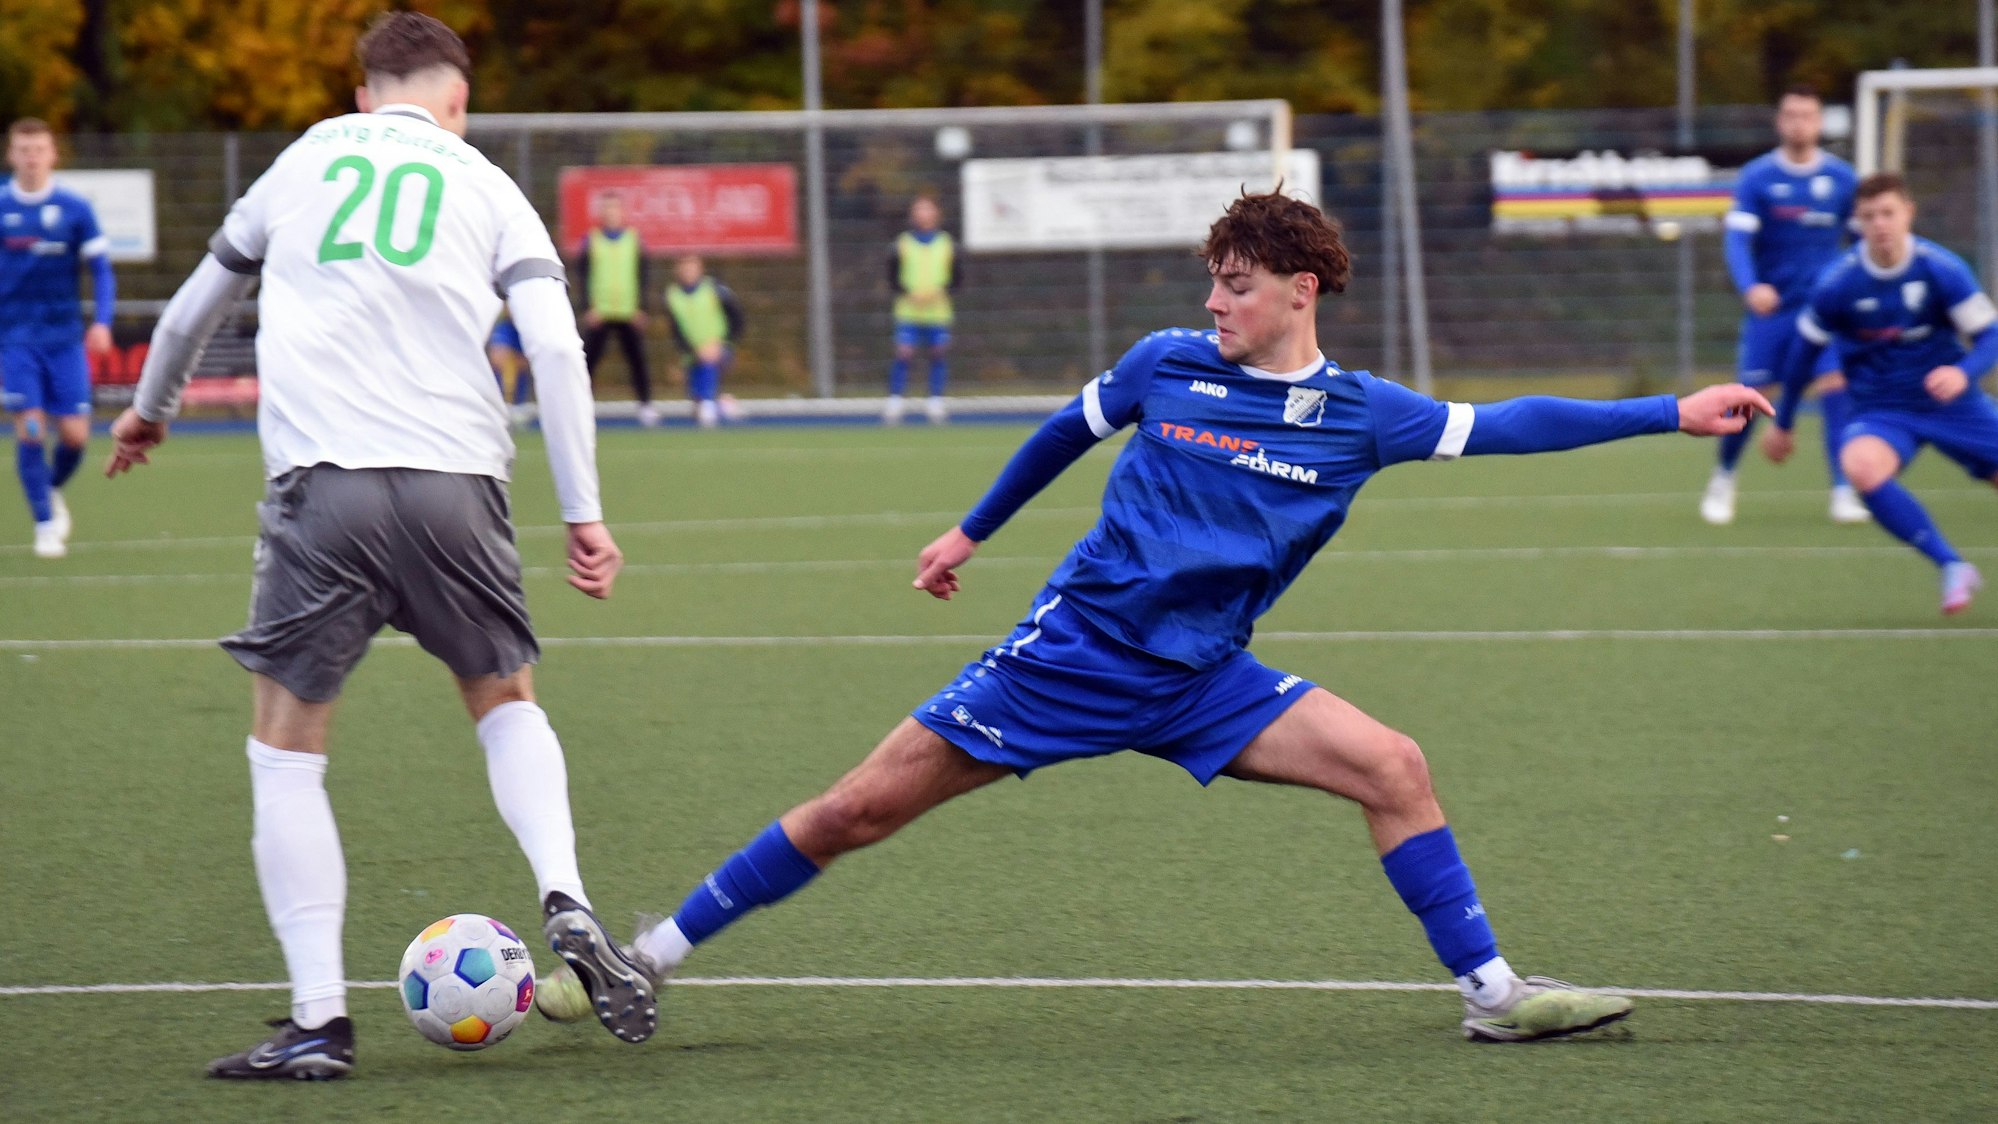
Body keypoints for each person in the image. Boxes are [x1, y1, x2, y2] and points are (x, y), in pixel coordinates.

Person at [537, 192, 1771, 1043]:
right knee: (857, 807)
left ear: (1299, 291)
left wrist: (1669, 410)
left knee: (1394, 764)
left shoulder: (1362, 413)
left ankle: (1493, 992)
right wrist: (970, 531)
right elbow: (1060, 433)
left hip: (1202, 676)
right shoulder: (1165, 363)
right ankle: (645, 956)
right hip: (1071, 657)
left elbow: (1511, 422)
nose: (1215, 302)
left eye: (1237, 286)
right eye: (1211, 284)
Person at [104, 12, 657, 1079]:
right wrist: (584, 511)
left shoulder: (303, 161)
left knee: (286, 746)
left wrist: (150, 409)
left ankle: (319, 1020)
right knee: (505, 698)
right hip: (459, 485)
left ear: (364, 94)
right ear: (458, 100)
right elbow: (554, 346)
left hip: (326, 488)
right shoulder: (486, 180)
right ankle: (567, 895)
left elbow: (186, 313)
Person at [1761, 172, 1998, 615]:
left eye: (1888, 213)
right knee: (1860, 465)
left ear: (1909, 213)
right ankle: (1951, 565)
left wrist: (1962, 372)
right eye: (1869, 216)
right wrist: (1783, 422)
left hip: (1953, 404)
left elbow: (1990, 337)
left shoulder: (1941, 269)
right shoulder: (1838, 283)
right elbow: (1802, 356)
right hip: (1883, 409)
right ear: (1857, 222)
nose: (1880, 224)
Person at [1704, 84, 1866, 526]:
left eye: (1807, 116)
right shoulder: (1757, 177)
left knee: (1836, 389)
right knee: (1751, 398)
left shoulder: (1842, 180)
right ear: (1780, 122)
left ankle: (1843, 490)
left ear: (1819, 122)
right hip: (1773, 312)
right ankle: (1724, 477)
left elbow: (1862, 243)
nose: (1799, 124)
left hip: (1824, 314)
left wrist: (1853, 290)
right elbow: (1737, 240)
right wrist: (1750, 286)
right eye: (1791, 115)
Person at [1, 117, 116, 558]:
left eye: (39, 150)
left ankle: (49, 490)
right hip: (15, 340)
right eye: (23, 150)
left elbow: (101, 270)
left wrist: (102, 322)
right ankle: (45, 525)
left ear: (52, 155)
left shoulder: (74, 209)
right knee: (31, 431)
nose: (31, 158)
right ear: (11, 155)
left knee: (75, 437)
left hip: (65, 340)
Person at [576, 192, 658, 427]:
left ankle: (645, 405)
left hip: (628, 312)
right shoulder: (591, 240)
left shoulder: (634, 239)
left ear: (622, 212)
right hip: (600, 312)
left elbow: (643, 275)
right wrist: (588, 307)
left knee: (637, 360)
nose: (611, 213)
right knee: (587, 362)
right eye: (607, 208)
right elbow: (582, 276)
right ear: (601, 213)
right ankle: (580, 406)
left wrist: (641, 308)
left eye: (615, 208)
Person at [884, 195, 958, 425]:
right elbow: (892, 277)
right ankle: (895, 400)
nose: (923, 213)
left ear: (936, 213)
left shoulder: (947, 243)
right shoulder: (902, 243)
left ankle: (935, 401)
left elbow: (957, 279)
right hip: (909, 311)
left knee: (938, 353)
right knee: (904, 353)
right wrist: (908, 292)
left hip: (937, 311)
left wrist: (940, 291)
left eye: (927, 209)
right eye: (919, 209)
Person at [664, 253, 744, 429]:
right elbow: (676, 333)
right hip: (691, 353)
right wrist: (694, 350)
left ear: (700, 268)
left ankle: (709, 406)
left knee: (708, 364)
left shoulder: (715, 289)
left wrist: (723, 344)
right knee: (696, 402)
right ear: (677, 270)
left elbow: (737, 319)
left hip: (720, 349)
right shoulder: (672, 295)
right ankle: (722, 404)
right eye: (684, 267)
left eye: (692, 266)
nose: (688, 271)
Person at [488, 314, 536, 428]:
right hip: (499, 394)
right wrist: (521, 360)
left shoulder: (528, 330)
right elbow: (498, 358)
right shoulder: (504, 328)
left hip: (523, 397)